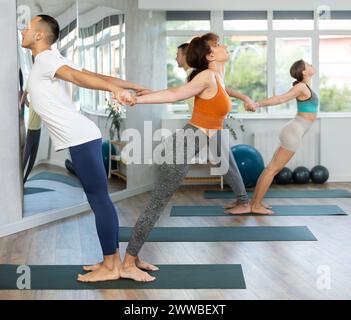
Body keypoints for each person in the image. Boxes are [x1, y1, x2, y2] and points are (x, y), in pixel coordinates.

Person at [115, 33, 257, 282]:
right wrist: (137, 99)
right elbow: (174, 95)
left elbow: (178, 86)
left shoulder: (217, 75)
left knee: (156, 205)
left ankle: (134, 257)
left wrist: (244, 97)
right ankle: (127, 263)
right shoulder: (206, 76)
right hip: (182, 147)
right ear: (210, 55)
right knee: (156, 205)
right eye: (218, 45)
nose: (224, 46)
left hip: (193, 142)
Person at [21, 14, 148, 283]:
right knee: (100, 198)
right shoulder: (50, 59)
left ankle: (111, 266)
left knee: (98, 199)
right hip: (81, 136)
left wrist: (116, 90)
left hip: (79, 137)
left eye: (28, 27)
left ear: (40, 34)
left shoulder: (46, 59)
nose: (23, 30)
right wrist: (125, 84)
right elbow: (88, 74)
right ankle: (109, 261)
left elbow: (79, 79)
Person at [242, 60, 318, 215]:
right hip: (293, 132)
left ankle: (256, 202)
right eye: (308, 64)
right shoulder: (301, 86)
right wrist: (257, 104)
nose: (311, 65)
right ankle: (256, 205)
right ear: (304, 72)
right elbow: (280, 99)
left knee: (271, 168)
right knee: (272, 169)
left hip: (294, 130)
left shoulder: (305, 86)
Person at [176, 43, 194, 114]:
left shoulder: (194, 74)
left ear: (185, 56)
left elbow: (177, 94)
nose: (176, 58)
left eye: (178, 55)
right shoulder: (190, 74)